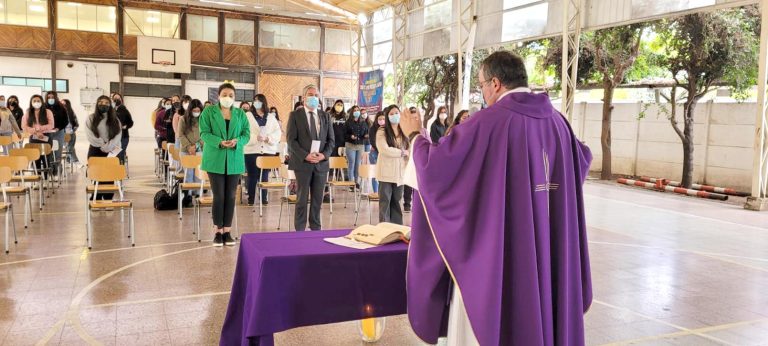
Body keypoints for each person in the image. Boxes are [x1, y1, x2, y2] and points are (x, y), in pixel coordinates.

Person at [401, 51, 592, 345]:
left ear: (496, 83)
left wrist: (415, 136)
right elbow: (582, 159)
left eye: (481, 86)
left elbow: (438, 171)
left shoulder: (488, 123)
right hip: (546, 248)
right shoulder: (558, 123)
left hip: (502, 255)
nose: (483, 93)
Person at [199, 83, 250, 246]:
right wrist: (220, 142)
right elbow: (204, 133)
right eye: (225, 94)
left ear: (235, 98)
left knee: (231, 196)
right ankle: (217, 231)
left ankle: (227, 230)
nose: (228, 97)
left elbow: (246, 134)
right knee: (219, 196)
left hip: (234, 160)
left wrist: (237, 142)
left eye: (231, 95)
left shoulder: (241, 114)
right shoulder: (208, 112)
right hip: (215, 159)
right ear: (218, 96)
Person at [286, 84, 334, 231]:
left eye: (316, 95)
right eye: (310, 94)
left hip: (320, 164)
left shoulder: (325, 116)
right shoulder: (295, 115)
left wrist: (323, 155)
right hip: (302, 163)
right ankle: (299, 230)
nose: (313, 97)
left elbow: (331, 140)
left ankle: (315, 228)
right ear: (304, 98)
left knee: (317, 199)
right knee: (301, 198)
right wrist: (305, 155)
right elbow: (291, 140)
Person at [243, 94, 281, 206]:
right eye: (255, 101)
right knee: (252, 175)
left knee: (265, 175)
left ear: (264, 102)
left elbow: (277, 132)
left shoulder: (270, 117)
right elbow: (243, 132)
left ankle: (264, 198)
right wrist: (255, 138)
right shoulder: (248, 116)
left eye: (259, 101)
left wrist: (268, 138)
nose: (256, 103)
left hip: (267, 151)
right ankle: (251, 198)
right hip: (251, 150)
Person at [375, 105, 408, 224]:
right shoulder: (382, 131)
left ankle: (397, 229)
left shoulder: (404, 130)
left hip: (400, 173)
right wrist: (402, 152)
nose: (395, 115)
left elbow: (409, 149)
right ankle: (384, 229)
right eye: (392, 114)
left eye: (397, 112)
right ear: (387, 116)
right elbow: (384, 149)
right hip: (386, 173)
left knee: (397, 201)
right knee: (385, 202)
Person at [85, 96, 122, 200]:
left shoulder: (115, 120)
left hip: (111, 150)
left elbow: (118, 136)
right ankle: (96, 195)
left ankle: (108, 197)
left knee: (109, 175)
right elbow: (90, 135)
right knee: (97, 173)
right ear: (97, 104)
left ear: (110, 105)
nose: (103, 104)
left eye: (106, 103)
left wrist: (108, 146)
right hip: (95, 149)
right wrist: (102, 145)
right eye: (101, 102)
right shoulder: (91, 118)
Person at [22, 95, 55, 174]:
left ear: (42, 102)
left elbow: (51, 125)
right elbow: (24, 126)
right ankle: (38, 179)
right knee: (36, 159)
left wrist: (39, 129)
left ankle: (46, 179)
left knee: (46, 158)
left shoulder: (48, 111)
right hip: (33, 138)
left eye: (38, 101)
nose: (36, 102)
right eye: (34, 101)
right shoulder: (28, 112)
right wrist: (36, 132)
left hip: (46, 137)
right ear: (31, 102)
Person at [178, 99, 204, 188]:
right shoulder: (183, 119)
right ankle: (187, 196)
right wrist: (189, 147)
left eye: (198, 111)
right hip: (186, 150)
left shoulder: (204, 120)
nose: (196, 112)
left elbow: (205, 134)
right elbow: (180, 134)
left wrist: (196, 145)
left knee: (198, 174)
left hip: (200, 149)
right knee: (188, 175)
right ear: (190, 110)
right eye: (194, 111)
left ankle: (197, 195)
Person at [344, 105, 367, 188]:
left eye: (358, 110)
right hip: (350, 145)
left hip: (360, 145)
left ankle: (356, 182)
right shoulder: (348, 122)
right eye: (355, 110)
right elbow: (345, 134)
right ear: (352, 112)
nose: (356, 111)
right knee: (352, 163)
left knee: (358, 164)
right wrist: (351, 136)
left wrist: (366, 135)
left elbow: (365, 133)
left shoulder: (363, 122)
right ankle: (350, 183)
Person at [46, 91, 68, 175]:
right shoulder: (44, 107)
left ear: (55, 97)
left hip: (59, 132)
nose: (51, 99)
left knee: (58, 152)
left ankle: (58, 171)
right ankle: (51, 171)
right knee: (49, 152)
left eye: (52, 97)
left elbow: (66, 121)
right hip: (47, 132)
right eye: (49, 97)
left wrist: (58, 128)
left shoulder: (62, 108)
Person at [111, 93, 134, 164]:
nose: (117, 100)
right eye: (115, 98)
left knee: (120, 154)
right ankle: (112, 171)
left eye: (118, 98)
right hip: (112, 137)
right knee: (112, 155)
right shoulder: (109, 110)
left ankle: (120, 172)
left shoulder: (124, 110)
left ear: (121, 100)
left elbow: (130, 122)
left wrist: (126, 126)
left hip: (123, 137)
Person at [61, 99, 81, 166]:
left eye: (64, 104)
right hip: (62, 134)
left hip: (71, 133)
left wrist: (72, 131)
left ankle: (68, 160)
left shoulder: (71, 113)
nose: (63, 105)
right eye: (61, 104)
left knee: (70, 147)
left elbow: (76, 124)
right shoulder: (59, 113)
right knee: (69, 148)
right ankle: (76, 161)